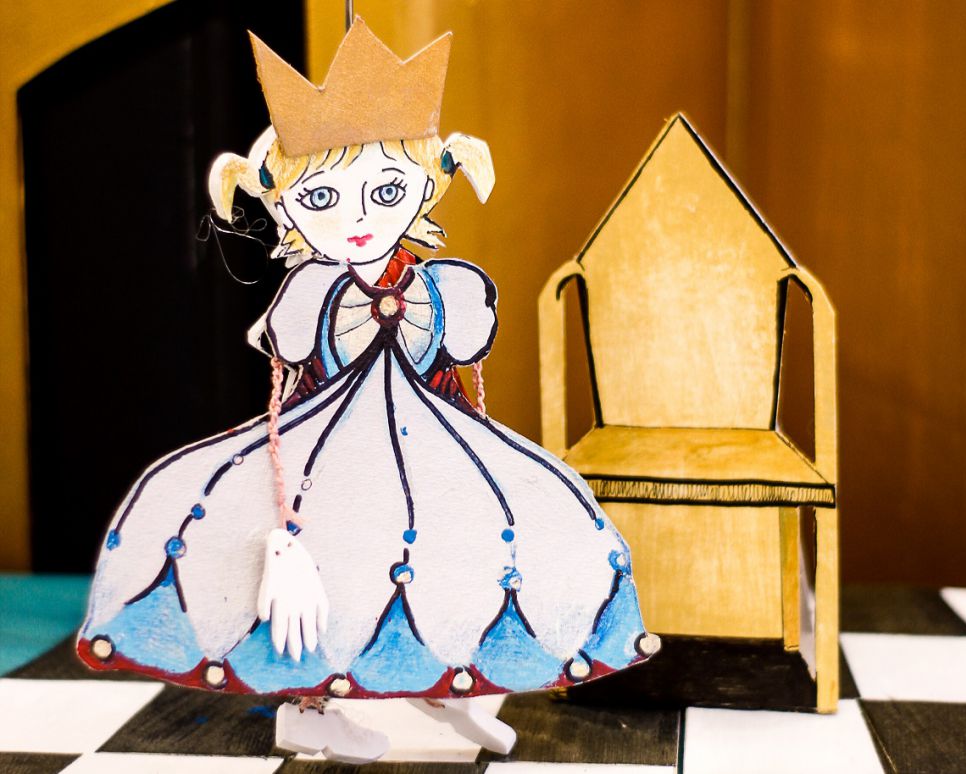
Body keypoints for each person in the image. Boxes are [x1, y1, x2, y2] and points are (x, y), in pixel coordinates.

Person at [78, 18, 658, 762]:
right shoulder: (309, 292)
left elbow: (458, 365)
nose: (357, 219)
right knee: (338, 562)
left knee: (468, 542)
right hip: (328, 450)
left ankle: (452, 681)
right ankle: (309, 708)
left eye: (386, 191)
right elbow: (289, 383)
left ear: (429, 185)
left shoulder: (444, 286)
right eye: (320, 198)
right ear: (280, 204)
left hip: (435, 439)